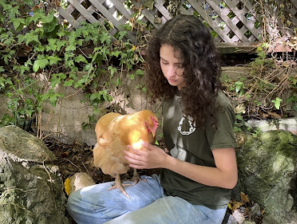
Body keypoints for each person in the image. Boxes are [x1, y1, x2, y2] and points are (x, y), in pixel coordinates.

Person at [67, 14, 237, 224]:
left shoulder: (216, 106)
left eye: (180, 64)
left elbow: (228, 178)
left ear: (197, 63)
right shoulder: (173, 92)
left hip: (200, 203)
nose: (170, 72)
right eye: (164, 62)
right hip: (165, 185)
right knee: (79, 203)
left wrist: (165, 161)